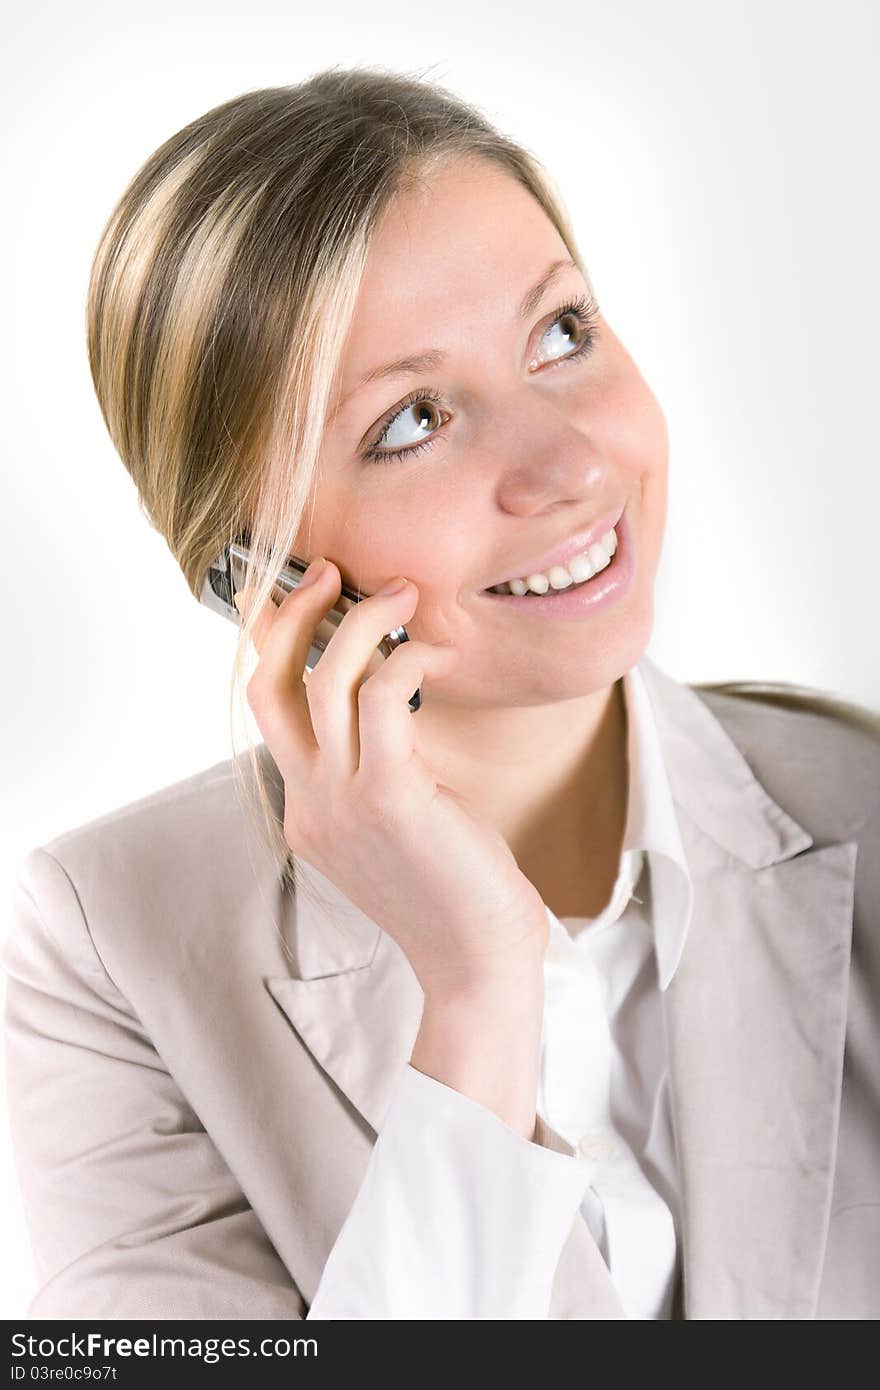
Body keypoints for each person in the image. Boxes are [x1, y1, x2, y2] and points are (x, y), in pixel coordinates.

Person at [4, 66, 879, 1322]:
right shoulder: (107, 941)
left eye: (561, 333)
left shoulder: (861, 803)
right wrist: (475, 995)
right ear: (252, 575)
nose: (571, 464)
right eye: (413, 420)